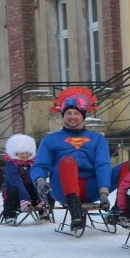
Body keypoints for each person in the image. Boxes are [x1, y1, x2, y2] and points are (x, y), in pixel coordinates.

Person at [31, 88, 113, 233]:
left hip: (91, 188)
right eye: (68, 113)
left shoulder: (98, 139)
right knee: (67, 161)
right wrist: (40, 180)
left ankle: (119, 213)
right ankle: (75, 213)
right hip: (62, 189)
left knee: (127, 167)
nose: (72, 116)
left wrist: (104, 192)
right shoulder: (50, 140)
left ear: (83, 116)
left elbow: (103, 165)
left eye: (76, 113)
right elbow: (40, 165)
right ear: (63, 115)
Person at [1, 134, 51, 225]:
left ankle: (43, 211)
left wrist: (41, 199)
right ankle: (9, 215)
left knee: (44, 186)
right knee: (12, 190)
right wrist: (24, 199)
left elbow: (34, 181)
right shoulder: (11, 165)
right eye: (21, 152)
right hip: (17, 196)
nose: (24, 155)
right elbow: (17, 182)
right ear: (15, 152)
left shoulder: (32, 164)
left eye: (27, 152)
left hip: (30, 195)